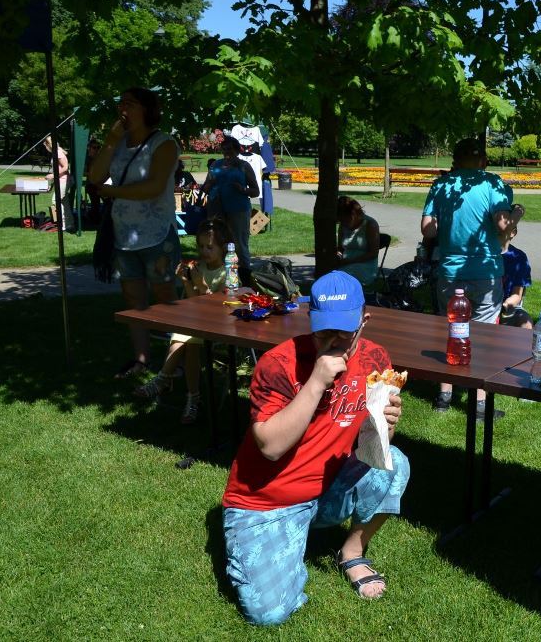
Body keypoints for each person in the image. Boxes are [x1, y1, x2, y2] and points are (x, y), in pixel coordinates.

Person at [221, 271, 410, 626]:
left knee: (395, 464)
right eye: (324, 332)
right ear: (310, 320)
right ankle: (278, 541)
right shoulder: (278, 364)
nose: (334, 342)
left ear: (364, 321)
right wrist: (316, 381)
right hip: (266, 500)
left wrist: (387, 424)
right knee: (269, 613)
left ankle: (352, 552)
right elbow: (270, 447)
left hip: (328, 487)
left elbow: (374, 445)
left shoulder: (375, 359)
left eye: (344, 332)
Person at [421, 137, 524, 416]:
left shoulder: (441, 185)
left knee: (451, 329)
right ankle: (479, 403)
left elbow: (428, 229)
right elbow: (503, 225)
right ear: (483, 161)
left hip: (450, 272)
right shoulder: (493, 183)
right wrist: (517, 213)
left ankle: (444, 396)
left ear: (456, 160)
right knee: (484, 335)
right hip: (485, 272)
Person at [88, 87, 181, 379]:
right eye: (121, 103)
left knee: (166, 296)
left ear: (147, 109)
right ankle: (141, 360)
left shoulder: (164, 144)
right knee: (133, 298)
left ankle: (175, 361)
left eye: (129, 103)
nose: (122, 109)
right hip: (123, 234)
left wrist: (112, 192)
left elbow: (154, 187)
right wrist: (110, 140)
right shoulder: (118, 143)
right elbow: (95, 177)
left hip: (156, 234)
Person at [133, 218, 232, 423]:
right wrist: (186, 281)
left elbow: (219, 308)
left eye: (209, 247)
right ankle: (191, 397)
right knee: (186, 337)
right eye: (200, 246)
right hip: (196, 321)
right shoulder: (199, 267)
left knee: (189, 339)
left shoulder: (227, 272)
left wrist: (203, 286)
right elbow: (193, 302)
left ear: (223, 248)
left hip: (217, 324)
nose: (204, 251)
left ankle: (164, 380)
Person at [200, 135, 259, 284]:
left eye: (230, 149)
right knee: (215, 242)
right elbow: (205, 188)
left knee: (239, 244)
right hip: (216, 208)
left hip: (238, 209)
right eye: (224, 149)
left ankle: (245, 278)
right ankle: (217, 278)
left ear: (237, 150)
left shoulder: (244, 166)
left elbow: (255, 191)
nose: (227, 152)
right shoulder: (215, 165)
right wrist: (210, 183)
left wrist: (242, 190)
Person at [336, 195, 381, 288]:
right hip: (345, 263)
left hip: (365, 265)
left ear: (354, 214)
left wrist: (349, 261)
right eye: (341, 220)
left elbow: (373, 253)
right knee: (330, 274)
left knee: (339, 277)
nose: (343, 222)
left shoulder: (370, 224)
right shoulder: (343, 225)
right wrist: (338, 256)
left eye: (344, 219)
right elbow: (340, 248)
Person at [499, 211, 533, 329]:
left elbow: (517, 295)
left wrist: (505, 306)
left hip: (509, 306)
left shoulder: (518, 257)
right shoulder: (483, 255)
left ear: (513, 232)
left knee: (525, 322)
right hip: (484, 305)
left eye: (506, 226)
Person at [44, 135, 73, 230]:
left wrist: (53, 175)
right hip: (60, 180)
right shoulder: (56, 152)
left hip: (63, 181)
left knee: (55, 201)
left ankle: (62, 224)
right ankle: (69, 224)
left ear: (49, 145)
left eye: (46, 145)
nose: (45, 147)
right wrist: (52, 183)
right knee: (64, 202)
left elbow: (65, 167)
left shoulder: (58, 153)